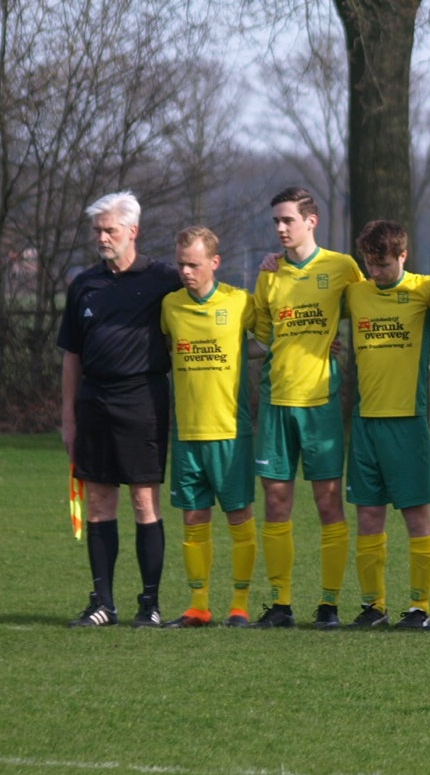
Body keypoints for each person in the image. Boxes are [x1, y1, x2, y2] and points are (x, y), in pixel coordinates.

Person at [59, 191, 181, 627]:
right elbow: (71, 355)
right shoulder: (85, 284)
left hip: (143, 399)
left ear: (133, 231)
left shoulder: (164, 278)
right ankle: (102, 604)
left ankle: (149, 606)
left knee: (145, 503)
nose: (102, 237)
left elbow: (208, 294)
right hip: (94, 402)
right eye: (98, 230)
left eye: (110, 229)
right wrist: (68, 417)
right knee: (99, 503)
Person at [251, 186, 364, 629]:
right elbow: (263, 339)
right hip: (276, 403)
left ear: (311, 221)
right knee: (276, 504)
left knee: (328, 504)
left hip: (320, 406)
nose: (280, 229)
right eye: (275, 221)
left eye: (287, 220)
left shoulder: (342, 268)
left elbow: (378, 304)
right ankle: (280, 603)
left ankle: (330, 605)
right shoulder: (269, 274)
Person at [337, 220, 430, 629]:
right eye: (368, 264)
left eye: (382, 265)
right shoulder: (356, 292)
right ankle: (373, 606)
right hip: (365, 423)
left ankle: (419, 607)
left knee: (417, 517)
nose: (374, 273)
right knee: (367, 518)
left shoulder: (425, 290)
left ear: (403, 256)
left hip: (408, 421)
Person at [159, 226, 259, 628]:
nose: (185, 271)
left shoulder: (239, 303)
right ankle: (198, 605)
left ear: (214, 263)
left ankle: (239, 605)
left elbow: (270, 338)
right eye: (181, 263)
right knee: (193, 519)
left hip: (230, 430)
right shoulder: (169, 306)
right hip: (186, 432)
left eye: (194, 264)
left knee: (239, 516)